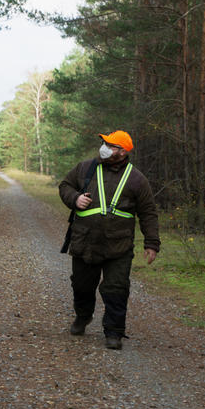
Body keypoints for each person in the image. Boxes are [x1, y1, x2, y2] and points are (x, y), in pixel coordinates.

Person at [58, 130, 160, 349]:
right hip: (84, 242)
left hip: (119, 246)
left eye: (110, 145)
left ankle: (114, 332)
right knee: (82, 286)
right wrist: (75, 199)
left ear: (122, 152)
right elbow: (64, 186)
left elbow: (148, 212)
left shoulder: (136, 179)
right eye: (104, 143)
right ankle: (83, 317)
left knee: (116, 288)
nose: (104, 147)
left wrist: (152, 243)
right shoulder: (85, 168)